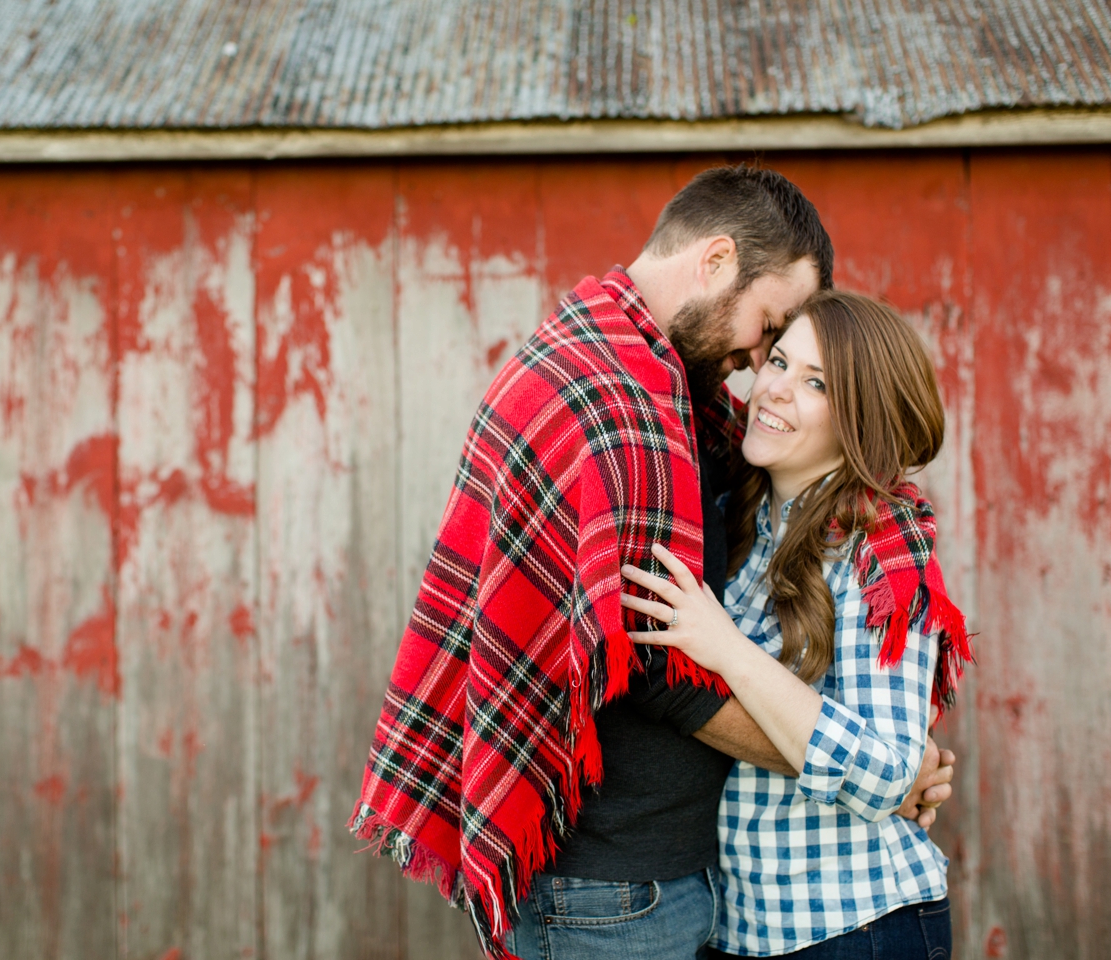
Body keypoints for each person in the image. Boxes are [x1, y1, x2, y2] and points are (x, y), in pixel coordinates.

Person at [351, 166, 954, 960]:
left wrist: (876, 762)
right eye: (769, 332)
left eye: (797, 364)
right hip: (617, 888)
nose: (757, 362)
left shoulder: (681, 402)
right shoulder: (608, 400)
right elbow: (655, 659)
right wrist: (877, 776)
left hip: (708, 893)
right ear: (715, 262)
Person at [619, 291, 972, 959]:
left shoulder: (881, 547)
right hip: (741, 929)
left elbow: (891, 770)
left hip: (853, 927)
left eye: (816, 383)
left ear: (860, 420)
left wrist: (726, 648)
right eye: (778, 361)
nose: (776, 389)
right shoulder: (735, 523)